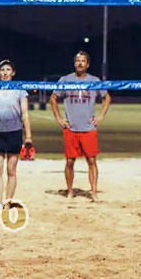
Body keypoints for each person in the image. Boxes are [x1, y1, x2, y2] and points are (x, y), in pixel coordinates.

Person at [49, 51, 111, 202]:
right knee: (70, 161)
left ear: (88, 64)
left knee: (91, 161)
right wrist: (59, 119)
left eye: (83, 61)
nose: (80, 63)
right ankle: (70, 191)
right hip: (71, 128)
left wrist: (101, 116)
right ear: (74, 63)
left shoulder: (94, 80)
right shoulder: (65, 80)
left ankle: (94, 193)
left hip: (88, 128)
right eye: (77, 60)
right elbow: (53, 99)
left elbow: (107, 97)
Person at [0, 59, 32, 209]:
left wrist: (28, 136)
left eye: (8, 70)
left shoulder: (19, 90)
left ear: (13, 73)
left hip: (15, 133)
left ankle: (7, 202)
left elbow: (25, 113)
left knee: (11, 171)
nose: (5, 73)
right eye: (2, 70)